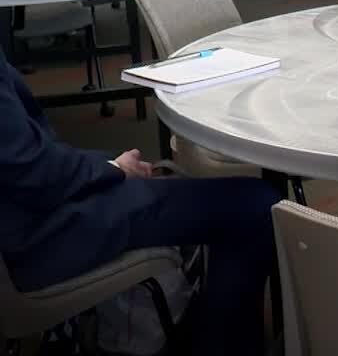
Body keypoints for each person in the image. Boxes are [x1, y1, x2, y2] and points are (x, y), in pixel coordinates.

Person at [0, 49, 281, 355]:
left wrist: (107, 166)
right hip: (39, 235)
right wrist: (113, 169)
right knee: (256, 207)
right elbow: (29, 168)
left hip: (32, 213)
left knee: (215, 198)